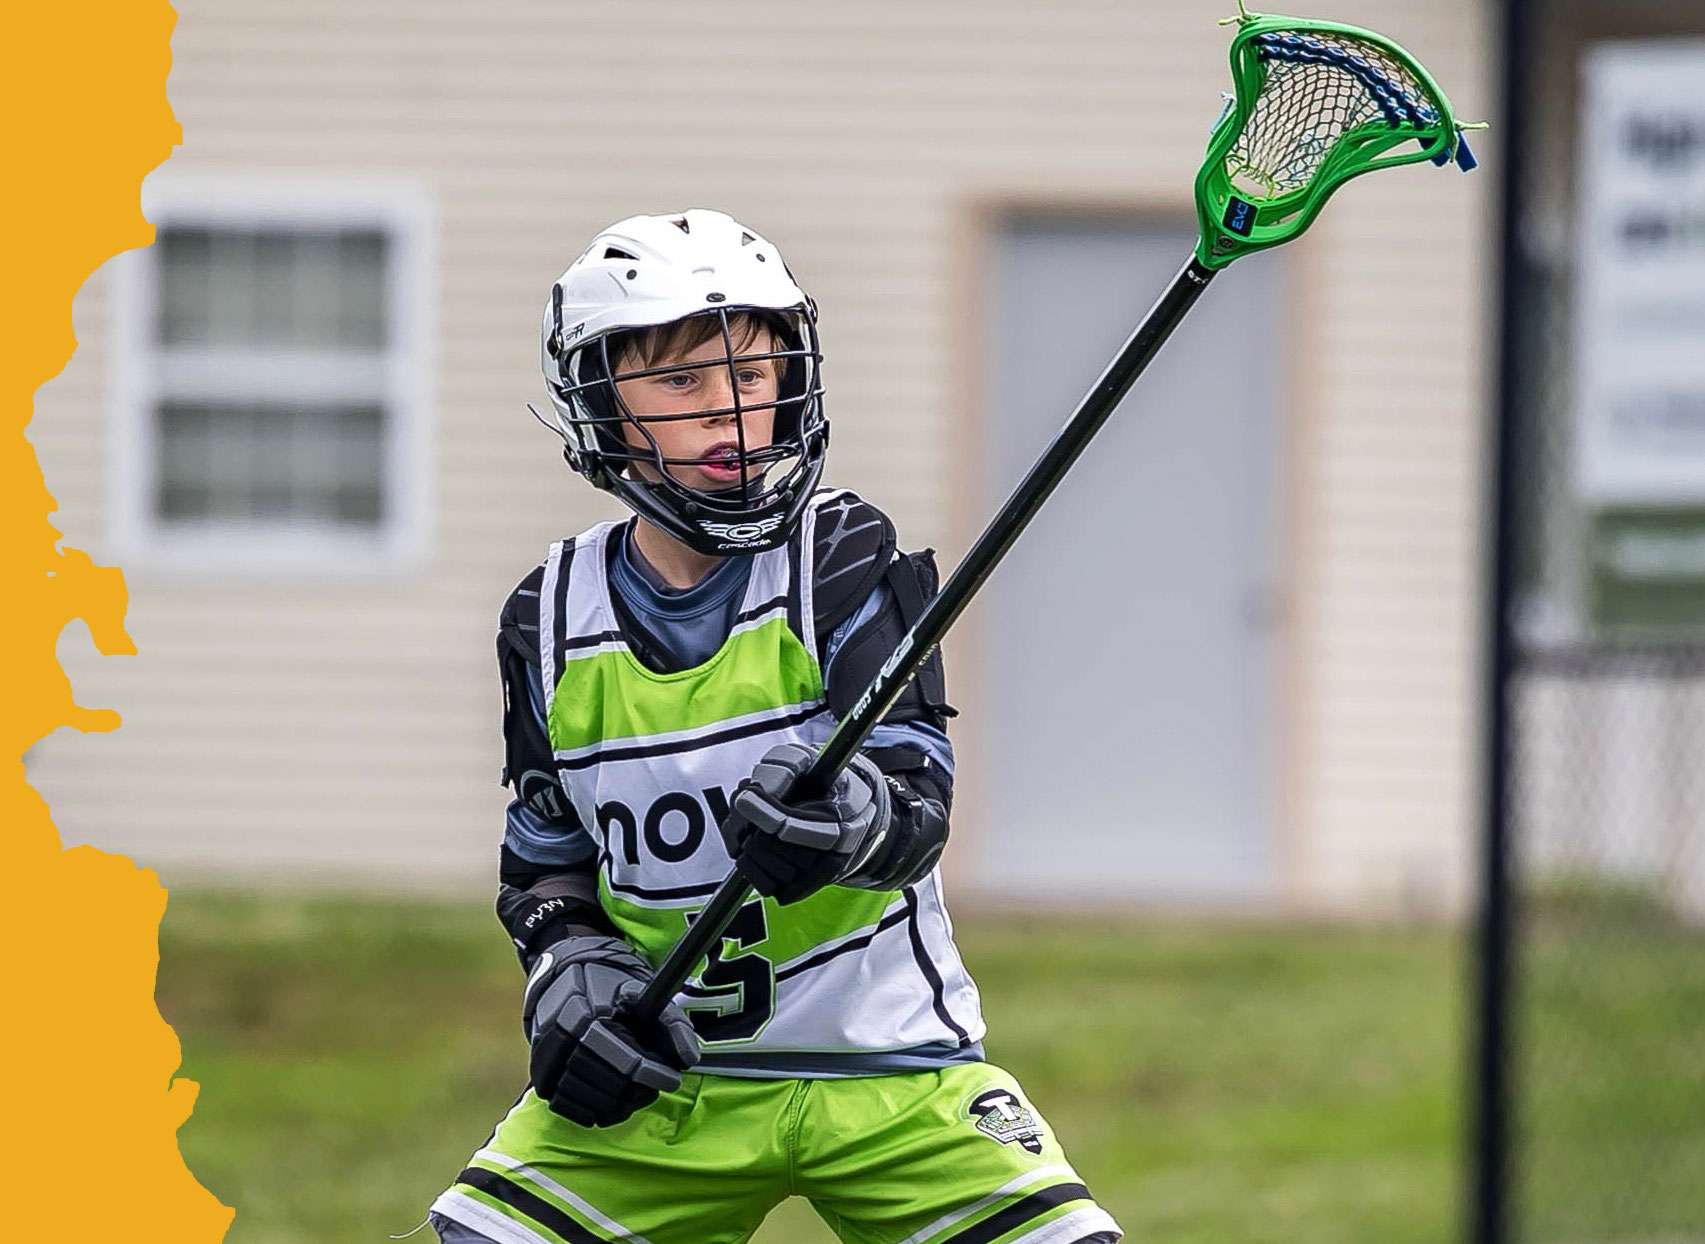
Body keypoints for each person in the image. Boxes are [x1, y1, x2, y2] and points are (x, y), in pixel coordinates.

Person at [428, 209, 1121, 1244]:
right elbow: (543, 868)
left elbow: (918, 802)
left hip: (893, 1080)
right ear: (600, 404)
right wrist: (566, 969)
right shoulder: (548, 614)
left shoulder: (844, 555)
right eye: (680, 383)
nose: (732, 416)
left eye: (752, 376)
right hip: (661, 1087)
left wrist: (847, 817)